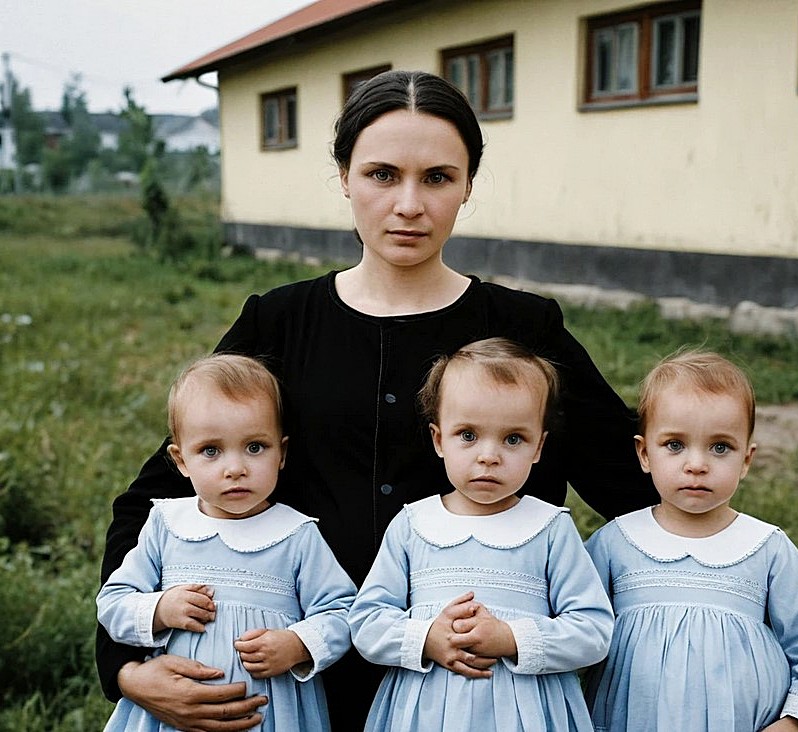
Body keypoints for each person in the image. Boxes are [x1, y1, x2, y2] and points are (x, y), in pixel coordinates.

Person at [97, 69, 657, 730]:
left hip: (473, 693)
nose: (410, 205)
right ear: (344, 177)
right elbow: (156, 496)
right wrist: (128, 668)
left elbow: (644, 490)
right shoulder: (280, 322)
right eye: (383, 174)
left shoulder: (524, 331)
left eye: (438, 178)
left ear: (469, 184)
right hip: (290, 685)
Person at [349, 337, 614, 731]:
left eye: (513, 439)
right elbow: (367, 622)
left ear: (539, 447)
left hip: (525, 713)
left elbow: (593, 630)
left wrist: (510, 637)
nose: (489, 455)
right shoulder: (413, 524)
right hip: (426, 711)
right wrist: (426, 638)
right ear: (440, 440)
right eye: (469, 435)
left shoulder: (549, 527)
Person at [582, 349, 798, 732]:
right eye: (674, 445)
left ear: (746, 460)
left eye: (720, 447)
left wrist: (796, 722)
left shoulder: (765, 547)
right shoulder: (616, 542)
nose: (697, 464)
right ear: (644, 453)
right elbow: (573, 623)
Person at [96, 354, 356, 731]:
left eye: (255, 447)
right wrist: (159, 609)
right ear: (180, 459)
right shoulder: (168, 524)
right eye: (211, 451)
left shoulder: (296, 534)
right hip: (173, 717)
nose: (235, 468)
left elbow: (343, 612)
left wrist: (297, 644)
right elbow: (113, 600)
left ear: (281, 452)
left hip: (270, 713)